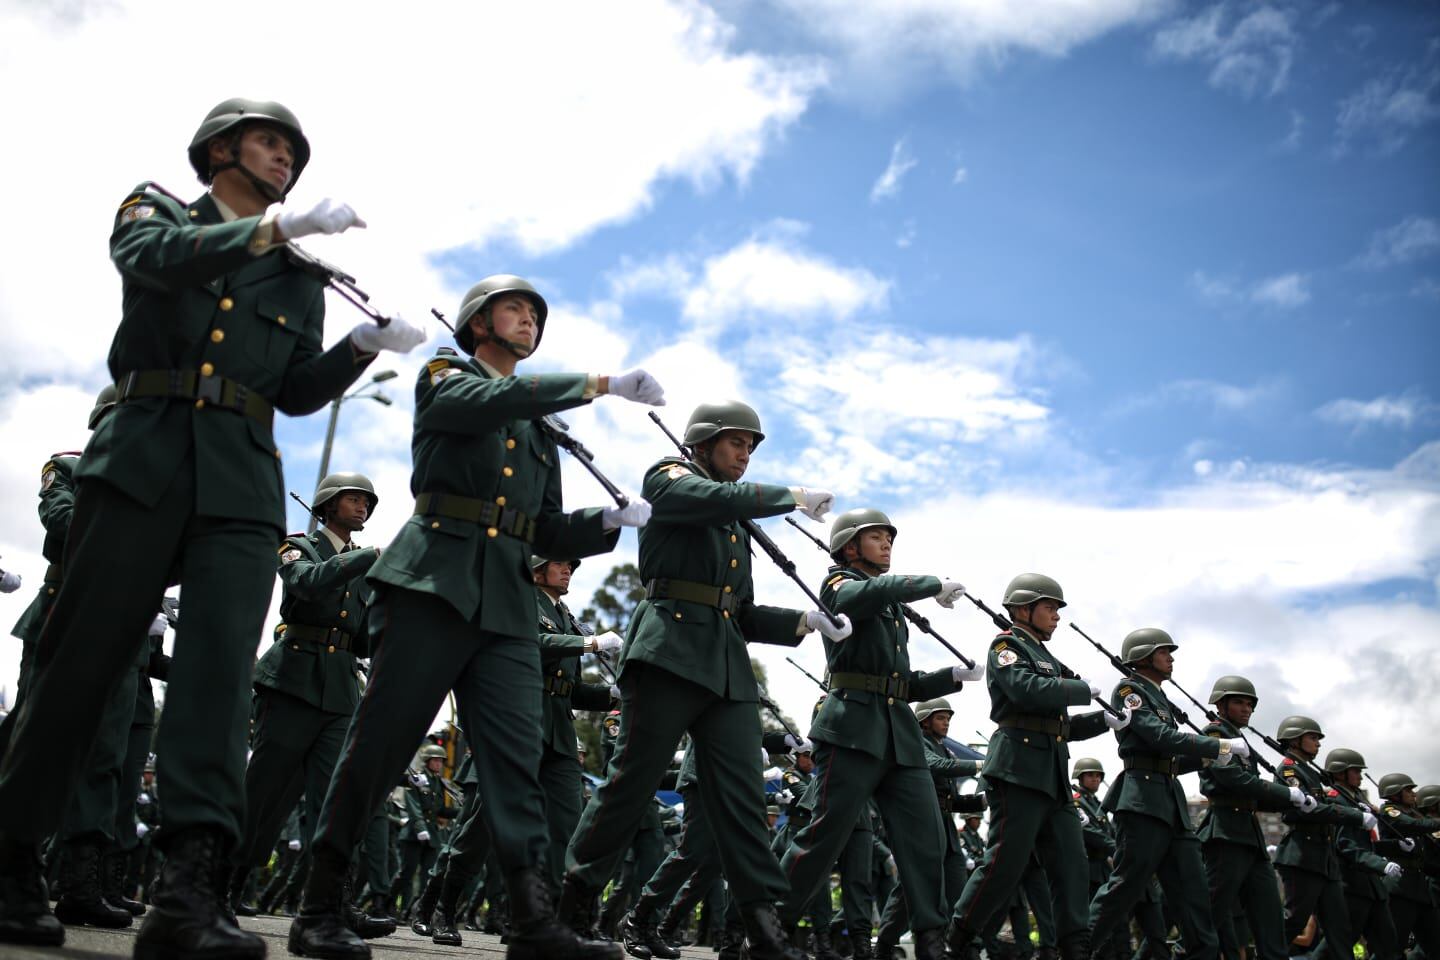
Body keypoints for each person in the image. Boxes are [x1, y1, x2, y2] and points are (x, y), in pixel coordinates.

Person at [0, 97, 426, 956]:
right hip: (143, 456)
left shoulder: (301, 274)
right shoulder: (158, 207)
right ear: (221, 148)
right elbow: (150, 260)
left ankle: (188, 890)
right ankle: (10, 855)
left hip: (240, 477)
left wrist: (360, 349)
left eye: (291, 153)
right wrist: (268, 232)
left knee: (220, 673)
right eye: (268, 143)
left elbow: (294, 391)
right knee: (82, 660)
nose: (282, 160)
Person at [287, 272, 661, 960]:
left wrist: (603, 522)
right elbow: (479, 403)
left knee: (516, 762)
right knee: (382, 744)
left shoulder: (536, 429)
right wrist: (601, 383)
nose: (528, 320)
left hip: (508, 603)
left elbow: (544, 528)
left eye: (534, 314)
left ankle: (532, 921)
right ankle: (319, 903)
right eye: (513, 309)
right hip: (434, 580)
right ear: (478, 322)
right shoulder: (443, 373)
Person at [561, 399, 848, 960]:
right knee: (632, 782)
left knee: (742, 798)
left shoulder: (733, 520)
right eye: (737, 443)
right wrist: (787, 494)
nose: (745, 455)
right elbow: (702, 499)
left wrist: (803, 621)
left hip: (725, 666)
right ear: (704, 441)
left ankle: (763, 929)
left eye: (751, 447)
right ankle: (573, 902)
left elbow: (737, 610)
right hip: (668, 646)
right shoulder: (671, 476)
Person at [944, 574, 1126, 960]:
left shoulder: (1044, 656)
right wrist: (1079, 690)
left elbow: (1057, 727)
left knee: (1071, 865)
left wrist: (1101, 721)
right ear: (1024, 609)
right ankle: (958, 938)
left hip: (1053, 777)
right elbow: (1026, 691)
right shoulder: (1006, 646)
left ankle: (1075, 946)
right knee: (1004, 865)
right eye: (1050, 608)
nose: (1056, 616)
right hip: (1018, 771)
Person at [231, 473, 382, 922]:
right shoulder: (299, 546)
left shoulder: (361, 562)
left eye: (366, 502)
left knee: (332, 799)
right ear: (327, 505)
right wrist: (367, 560)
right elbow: (306, 584)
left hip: (338, 689)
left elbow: (362, 636)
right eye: (353, 498)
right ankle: (222, 882)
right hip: (292, 677)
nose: (362, 506)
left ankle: (331, 900)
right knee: (263, 790)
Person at [1086, 629, 1230, 960]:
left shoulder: (1160, 698)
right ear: (1144, 656)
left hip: (1170, 803)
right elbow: (1158, 736)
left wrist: (1208, 756)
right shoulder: (1129, 691)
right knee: (1124, 887)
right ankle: (1077, 950)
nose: (1171, 658)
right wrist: (1217, 744)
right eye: (1164, 651)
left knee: (1194, 897)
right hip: (1143, 802)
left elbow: (1172, 760)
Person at [1194, 676, 1310, 960]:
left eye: (1250, 704)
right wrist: (1286, 794)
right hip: (1226, 832)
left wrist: (1296, 801)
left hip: (1250, 835)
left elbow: (1254, 790)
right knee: (1210, 915)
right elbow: (1234, 779)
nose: (1246, 709)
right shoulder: (1215, 735)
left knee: (1270, 918)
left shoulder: (1239, 738)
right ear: (1221, 705)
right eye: (1239, 702)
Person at [1270, 716, 1369, 960]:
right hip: (1302, 854)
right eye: (1313, 738)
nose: (1318, 743)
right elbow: (1306, 808)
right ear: (1295, 739)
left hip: (1324, 858)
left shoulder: (1311, 772)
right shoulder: (1290, 769)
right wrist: (1354, 815)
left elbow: (1322, 804)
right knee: (1294, 921)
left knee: (1340, 928)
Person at [1316, 749, 1402, 960]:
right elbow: (1346, 845)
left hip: (1372, 888)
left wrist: (1395, 847)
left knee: (1389, 948)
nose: (1360, 776)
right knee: (1337, 947)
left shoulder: (1354, 800)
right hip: (1352, 885)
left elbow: (1369, 844)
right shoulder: (1337, 801)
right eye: (1355, 771)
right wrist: (1380, 865)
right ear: (1340, 772)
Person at [1374, 773, 1440, 957]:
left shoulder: (1413, 813)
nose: (1413, 794)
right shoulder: (1389, 810)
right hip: (1401, 887)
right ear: (1395, 793)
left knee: (1435, 944)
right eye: (1408, 790)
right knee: (1394, 945)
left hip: (1420, 888)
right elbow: (1410, 824)